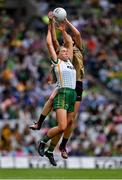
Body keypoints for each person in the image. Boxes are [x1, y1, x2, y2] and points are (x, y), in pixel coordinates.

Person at [30, 13, 84, 166]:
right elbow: (50, 43)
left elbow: (70, 41)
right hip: (63, 92)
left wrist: (64, 30)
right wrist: (50, 23)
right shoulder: (57, 62)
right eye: (63, 51)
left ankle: (49, 149)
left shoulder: (71, 62)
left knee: (65, 126)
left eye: (67, 51)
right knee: (62, 125)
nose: (66, 52)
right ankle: (43, 140)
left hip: (72, 94)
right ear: (59, 54)